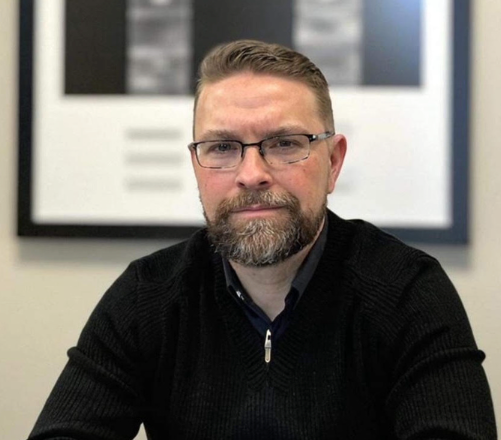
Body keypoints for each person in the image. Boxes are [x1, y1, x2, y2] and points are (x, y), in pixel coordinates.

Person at [28, 40, 496, 440]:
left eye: (286, 143)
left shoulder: (407, 292)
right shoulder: (146, 296)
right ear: (196, 166)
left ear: (333, 162)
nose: (252, 174)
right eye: (222, 148)